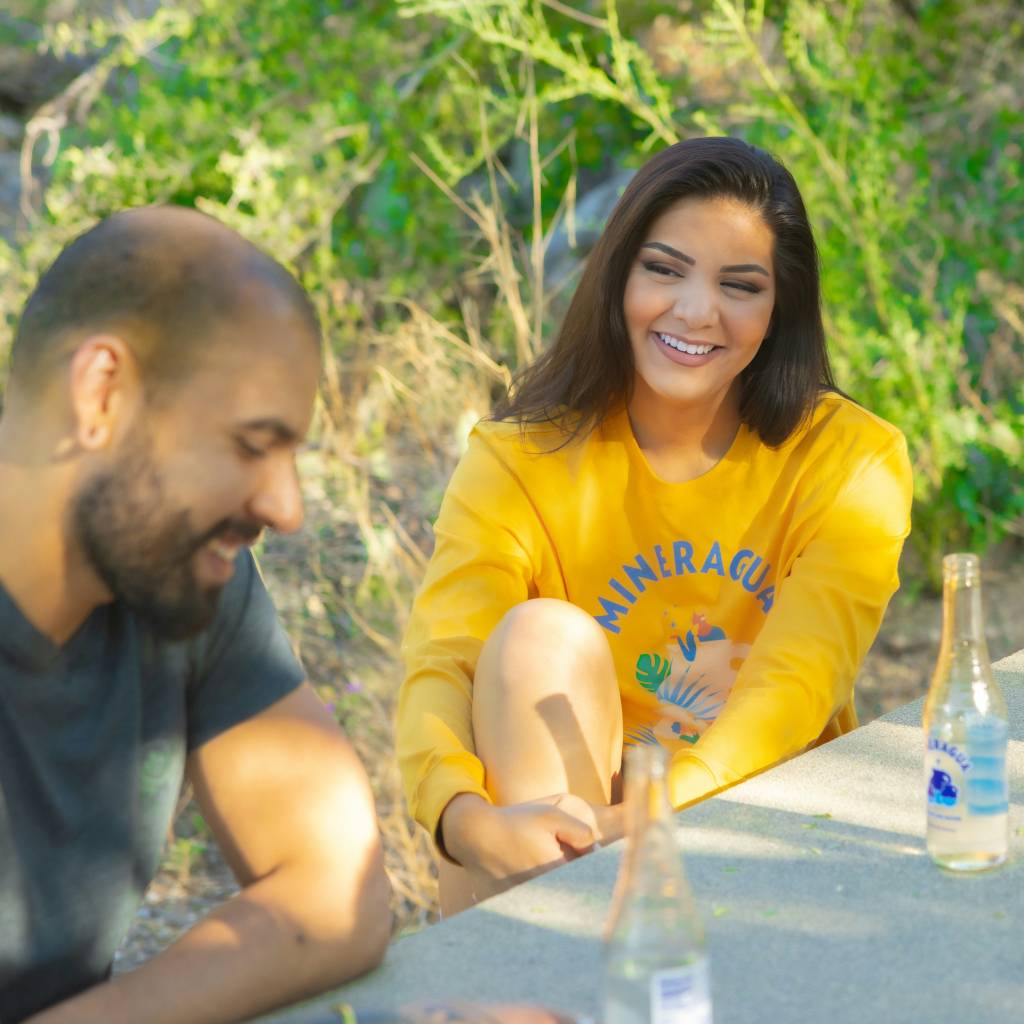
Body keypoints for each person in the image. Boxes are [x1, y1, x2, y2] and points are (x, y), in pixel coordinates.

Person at [396, 137, 914, 914]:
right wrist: (460, 820)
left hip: (760, 827)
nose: (696, 311)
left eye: (740, 286)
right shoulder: (517, 462)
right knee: (541, 637)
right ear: (617, 277)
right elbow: (446, 662)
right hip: (568, 831)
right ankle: (553, 952)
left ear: (779, 312)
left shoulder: (851, 462)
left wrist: (640, 820)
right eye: (664, 270)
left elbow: (793, 688)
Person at [0, 207, 391, 1022]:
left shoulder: (174, 573)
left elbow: (337, 883)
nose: (286, 508)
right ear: (100, 393)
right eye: (251, 445)